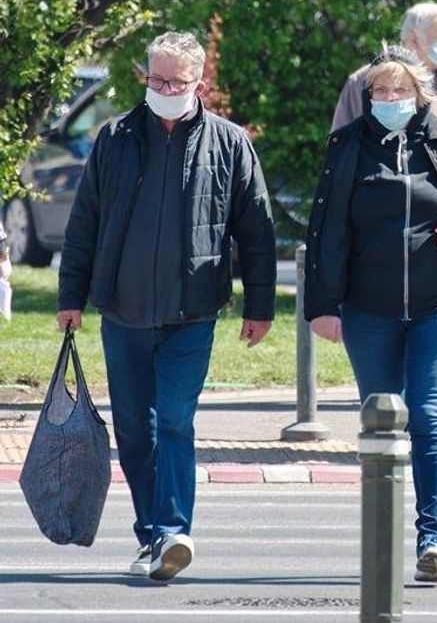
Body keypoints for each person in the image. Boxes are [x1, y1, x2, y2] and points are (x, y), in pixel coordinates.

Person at [57, 31, 277, 582]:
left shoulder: (229, 143)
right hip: (123, 312)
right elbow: (85, 223)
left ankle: (175, 530)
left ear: (198, 82)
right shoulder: (115, 137)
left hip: (192, 314)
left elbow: (257, 231)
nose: (165, 88)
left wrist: (261, 305)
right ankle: (152, 534)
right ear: (145, 77)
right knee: (134, 430)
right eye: (157, 79)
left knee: (175, 421)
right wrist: (70, 297)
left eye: (177, 82)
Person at [305, 44, 437, 583]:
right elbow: (323, 232)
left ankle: (431, 537)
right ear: (366, 96)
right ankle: (383, 535)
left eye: (400, 91)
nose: (390, 100)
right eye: (380, 92)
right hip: (367, 311)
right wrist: (320, 306)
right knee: (381, 420)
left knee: (429, 418)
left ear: (420, 94)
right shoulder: (347, 146)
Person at [332, 2, 437, 458]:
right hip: (374, 270)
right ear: (410, 42)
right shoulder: (362, 86)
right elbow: (343, 154)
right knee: (386, 386)